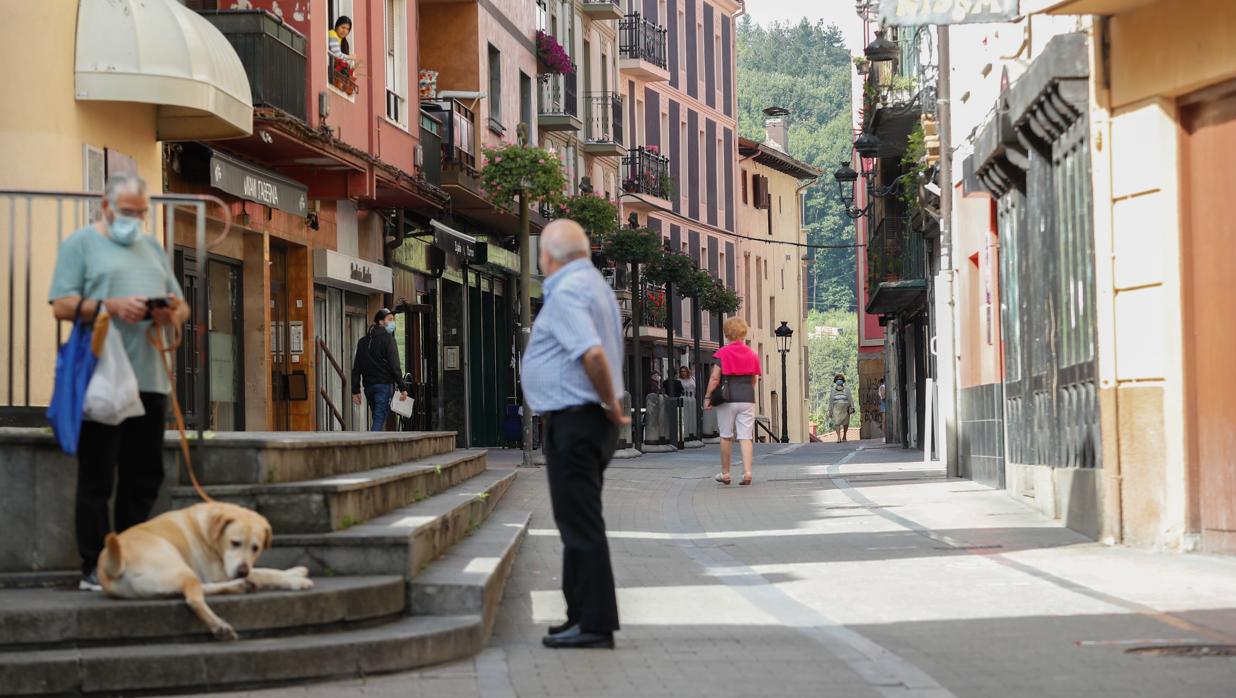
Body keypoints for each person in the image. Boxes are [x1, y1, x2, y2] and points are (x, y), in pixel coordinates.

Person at [48, 172, 190, 591]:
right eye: (129, 212)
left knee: (143, 476)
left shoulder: (151, 247)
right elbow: (61, 305)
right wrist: (109, 305)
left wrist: (168, 313)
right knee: (97, 476)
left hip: (149, 378)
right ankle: (94, 564)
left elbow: (180, 306)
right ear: (106, 206)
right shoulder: (80, 244)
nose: (136, 220)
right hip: (103, 378)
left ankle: (131, 556)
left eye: (142, 213)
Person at [521, 219, 628, 650]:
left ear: (547, 257)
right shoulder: (597, 286)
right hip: (584, 421)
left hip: (577, 419)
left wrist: (608, 403)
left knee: (580, 524)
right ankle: (578, 614)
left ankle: (596, 624)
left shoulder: (565, 290)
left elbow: (594, 354)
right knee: (575, 521)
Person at [703, 317, 760, 486]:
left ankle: (726, 473)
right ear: (743, 332)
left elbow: (714, 378)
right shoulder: (752, 354)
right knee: (745, 437)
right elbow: (754, 379)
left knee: (726, 436)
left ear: (727, 334)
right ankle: (747, 472)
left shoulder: (722, 353)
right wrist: (747, 392)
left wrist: (708, 397)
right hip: (747, 398)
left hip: (727, 398)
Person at [351, 308, 408, 431]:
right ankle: (371, 442)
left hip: (369, 387)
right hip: (384, 385)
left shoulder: (362, 342)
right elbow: (395, 365)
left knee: (377, 415)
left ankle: (375, 440)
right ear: (381, 322)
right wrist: (402, 388)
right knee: (379, 416)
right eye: (390, 319)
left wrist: (355, 391)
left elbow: (357, 368)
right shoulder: (388, 339)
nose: (393, 323)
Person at [830, 373, 855, 442]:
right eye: (838, 379)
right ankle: (838, 437)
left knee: (846, 423)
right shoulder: (833, 390)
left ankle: (844, 435)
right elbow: (831, 401)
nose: (839, 381)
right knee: (837, 423)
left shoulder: (847, 389)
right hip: (836, 408)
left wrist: (852, 407)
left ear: (843, 381)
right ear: (835, 381)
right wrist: (830, 411)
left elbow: (850, 398)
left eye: (840, 379)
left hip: (845, 408)